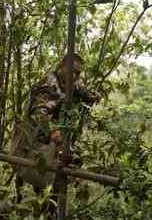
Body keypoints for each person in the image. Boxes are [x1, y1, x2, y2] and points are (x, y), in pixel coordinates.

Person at [10, 53, 98, 217]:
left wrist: (92, 96)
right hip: (31, 144)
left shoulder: (72, 83)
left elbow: (81, 90)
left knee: (67, 166)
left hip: (48, 145)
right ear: (62, 66)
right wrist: (52, 132)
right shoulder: (49, 85)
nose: (75, 76)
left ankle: (50, 208)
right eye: (72, 71)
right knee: (50, 174)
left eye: (78, 73)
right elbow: (38, 114)